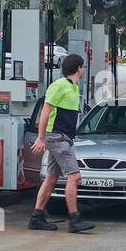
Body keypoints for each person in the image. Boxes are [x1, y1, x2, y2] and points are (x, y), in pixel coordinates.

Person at [28, 54, 95, 233]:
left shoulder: (72, 87)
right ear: (79, 68)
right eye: (83, 66)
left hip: (63, 137)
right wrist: (41, 138)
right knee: (74, 176)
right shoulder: (59, 86)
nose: (84, 69)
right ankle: (75, 219)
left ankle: (37, 217)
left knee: (51, 178)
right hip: (57, 137)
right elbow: (45, 112)